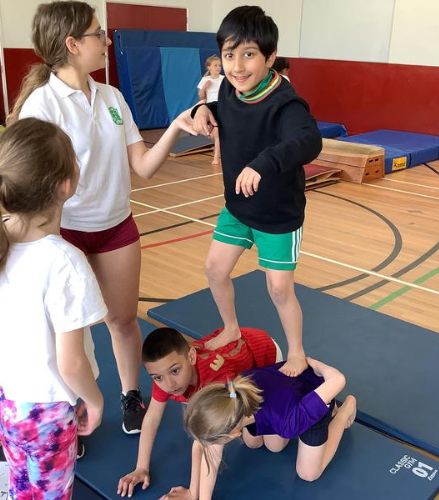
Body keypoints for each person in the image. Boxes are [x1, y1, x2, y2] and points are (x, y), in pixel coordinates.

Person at [8, 1, 194, 434]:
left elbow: (143, 166)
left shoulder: (112, 98)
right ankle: (69, 412)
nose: (106, 40)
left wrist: (176, 127)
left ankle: (130, 395)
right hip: (63, 232)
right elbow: (35, 178)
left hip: (115, 227)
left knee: (122, 320)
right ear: (72, 44)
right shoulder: (44, 104)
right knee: (68, 336)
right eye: (97, 33)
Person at [191, 6, 322, 377]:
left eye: (249, 55)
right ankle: (232, 329)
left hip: (278, 215)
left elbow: (308, 140)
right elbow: (224, 109)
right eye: (229, 56)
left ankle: (296, 352)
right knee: (215, 270)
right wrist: (203, 107)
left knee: (279, 289)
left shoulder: (286, 102)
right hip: (238, 208)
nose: (237, 67)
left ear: (270, 57)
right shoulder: (231, 92)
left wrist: (262, 164)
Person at [0, 118, 107, 499]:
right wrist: (95, 401)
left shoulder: (6, 244)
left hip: (9, 402)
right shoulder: (64, 261)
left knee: (20, 483)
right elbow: (71, 363)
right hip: (46, 412)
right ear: (66, 184)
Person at [117, 326, 281, 497]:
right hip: (236, 375)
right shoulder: (165, 376)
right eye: (158, 377)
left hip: (265, 355)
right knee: (252, 441)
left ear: (191, 357)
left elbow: (210, 443)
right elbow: (152, 419)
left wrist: (193, 493)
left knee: (273, 446)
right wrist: (141, 467)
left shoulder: (214, 381)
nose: (169, 384)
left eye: (175, 371)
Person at [162, 358, 356, 499]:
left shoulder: (288, 422)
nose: (205, 445)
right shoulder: (230, 398)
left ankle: (344, 410)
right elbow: (203, 448)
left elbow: (338, 380)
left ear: (234, 433)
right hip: (283, 393)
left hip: (316, 392)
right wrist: (192, 493)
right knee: (264, 445)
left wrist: (314, 364)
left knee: (308, 474)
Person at [197, 55, 224, 166]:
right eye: (215, 65)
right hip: (210, 108)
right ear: (209, 67)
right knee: (212, 135)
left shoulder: (223, 79)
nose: (218, 68)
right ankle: (218, 148)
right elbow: (201, 97)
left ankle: (216, 158)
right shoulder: (205, 80)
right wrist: (204, 88)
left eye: (219, 65)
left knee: (217, 133)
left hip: (221, 106)